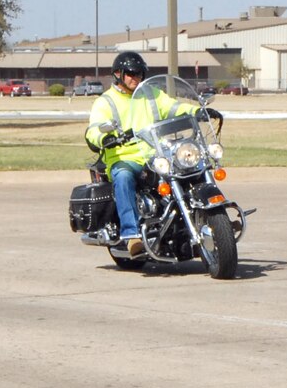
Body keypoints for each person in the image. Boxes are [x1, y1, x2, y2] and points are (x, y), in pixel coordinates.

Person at [83, 51, 218, 258]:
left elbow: (173, 107)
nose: (135, 77)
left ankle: (208, 215)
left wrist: (196, 112)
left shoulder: (151, 94)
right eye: (130, 73)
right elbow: (94, 130)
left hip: (157, 152)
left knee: (192, 166)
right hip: (125, 156)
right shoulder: (106, 102)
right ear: (118, 74)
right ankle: (131, 235)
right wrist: (103, 138)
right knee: (124, 176)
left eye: (139, 73)